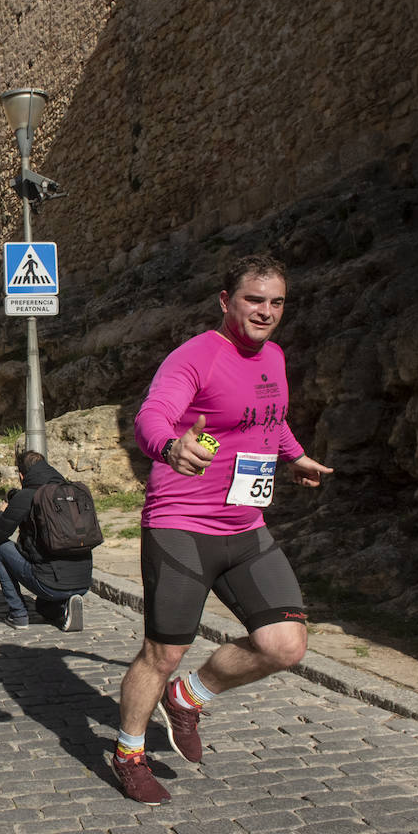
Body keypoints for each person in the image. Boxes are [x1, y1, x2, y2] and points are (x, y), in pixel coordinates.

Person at [110, 254, 333, 805]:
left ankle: (188, 698)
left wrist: (296, 456)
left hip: (245, 524)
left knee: (286, 644)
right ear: (225, 302)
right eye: (254, 300)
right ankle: (129, 752)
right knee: (161, 655)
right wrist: (170, 445)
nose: (265, 311)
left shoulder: (274, 356)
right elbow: (151, 417)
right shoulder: (195, 357)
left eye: (276, 301)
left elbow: (269, 418)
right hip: (181, 524)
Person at [0, 450, 92, 631]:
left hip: (50, 581)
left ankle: (18, 614)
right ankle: (65, 606)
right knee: (43, 608)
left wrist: (2, 510)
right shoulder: (72, 491)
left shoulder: (27, 495)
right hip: (84, 581)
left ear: (22, 475)